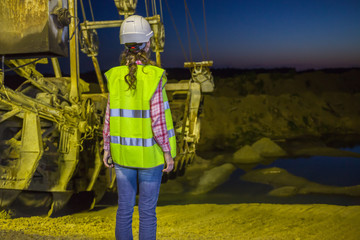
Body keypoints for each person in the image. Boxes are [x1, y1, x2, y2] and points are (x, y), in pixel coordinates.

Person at [102, 15, 177, 240]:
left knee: (124, 209)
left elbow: (108, 117)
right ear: (148, 44)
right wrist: (168, 153)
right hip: (150, 157)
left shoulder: (114, 76)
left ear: (125, 44)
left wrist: (107, 148)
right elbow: (159, 122)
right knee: (146, 212)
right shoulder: (154, 77)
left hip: (122, 154)